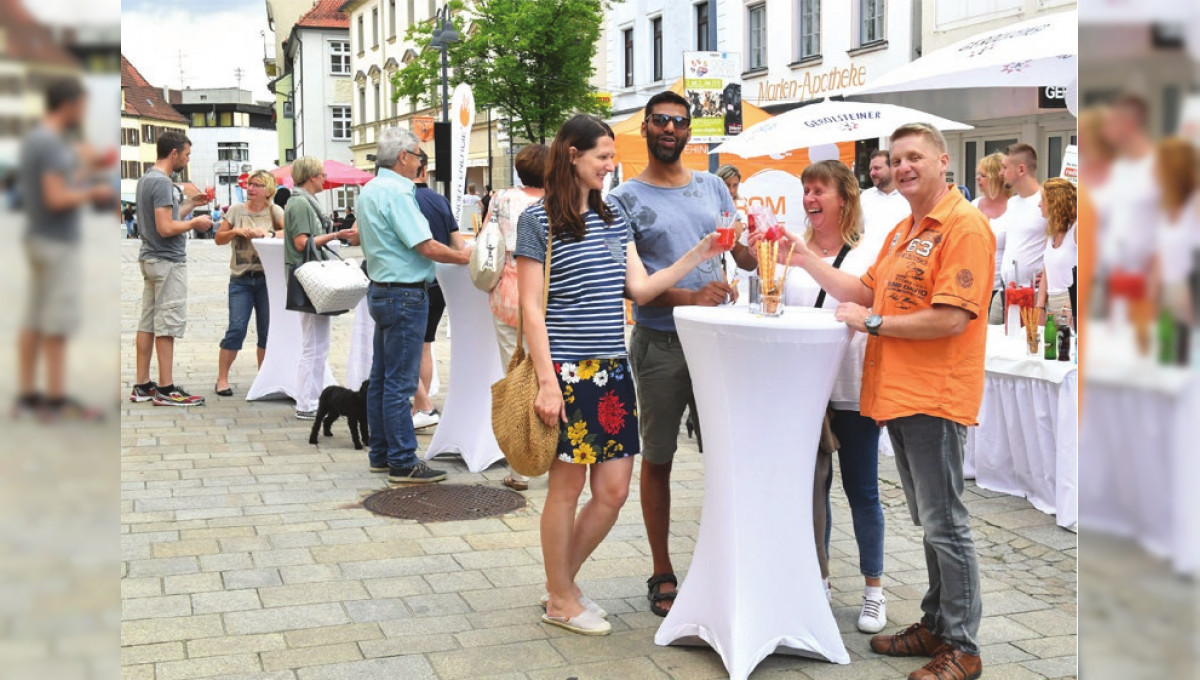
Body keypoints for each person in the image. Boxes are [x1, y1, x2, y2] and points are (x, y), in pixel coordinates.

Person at [776, 122, 993, 680]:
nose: (903, 167)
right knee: (930, 520)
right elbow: (862, 288)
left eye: (914, 157)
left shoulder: (962, 226)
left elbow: (950, 317)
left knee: (946, 523)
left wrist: (873, 323)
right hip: (897, 393)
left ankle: (962, 647)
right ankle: (936, 624)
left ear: (944, 161)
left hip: (934, 396)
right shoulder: (905, 229)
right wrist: (803, 258)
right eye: (896, 159)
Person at [518, 114, 726, 636]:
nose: (611, 166)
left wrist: (701, 254)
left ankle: (560, 585)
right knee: (565, 490)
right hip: (566, 369)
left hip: (612, 369)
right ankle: (562, 598)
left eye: (612, 156)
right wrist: (547, 381)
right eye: (603, 157)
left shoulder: (615, 218)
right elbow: (530, 309)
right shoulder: (538, 221)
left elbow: (641, 288)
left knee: (611, 492)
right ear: (572, 155)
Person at [608, 90, 757, 617]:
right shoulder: (625, 198)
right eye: (661, 121)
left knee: (726, 453)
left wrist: (747, 246)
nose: (671, 129)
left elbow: (738, 252)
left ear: (690, 131)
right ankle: (662, 569)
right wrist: (690, 296)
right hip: (661, 341)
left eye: (680, 122)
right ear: (645, 129)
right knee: (660, 456)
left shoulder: (714, 185)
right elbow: (633, 285)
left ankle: (723, 560)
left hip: (717, 340)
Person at [775, 160, 889, 633]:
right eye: (805, 190)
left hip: (853, 388)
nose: (809, 199)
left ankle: (873, 592)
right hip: (806, 392)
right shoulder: (787, 252)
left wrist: (806, 259)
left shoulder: (869, 250)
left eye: (819, 190)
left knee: (862, 490)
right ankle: (817, 579)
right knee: (812, 489)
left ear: (845, 197)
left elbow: (866, 302)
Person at [358, 127, 470, 484]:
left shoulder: (371, 189)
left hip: (382, 289)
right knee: (400, 383)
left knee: (381, 377)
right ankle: (404, 461)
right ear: (404, 156)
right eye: (420, 156)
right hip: (405, 292)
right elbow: (425, 245)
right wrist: (464, 258)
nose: (422, 163)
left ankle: (381, 454)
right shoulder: (397, 192)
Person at [14, 78, 113, 421]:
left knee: (34, 319)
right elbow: (57, 198)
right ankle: (55, 401)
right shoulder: (54, 144)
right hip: (57, 242)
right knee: (57, 323)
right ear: (69, 104)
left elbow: (50, 189)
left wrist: (84, 169)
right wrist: (93, 193)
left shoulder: (36, 139)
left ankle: (27, 395)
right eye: (83, 105)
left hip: (37, 237)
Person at [483, 143, 549, 492]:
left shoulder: (503, 199)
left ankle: (520, 468)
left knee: (515, 378)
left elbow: (487, 239)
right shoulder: (556, 203)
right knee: (548, 377)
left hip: (509, 297)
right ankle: (553, 455)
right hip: (548, 297)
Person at [129, 130, 213, 406]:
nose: (187, 160)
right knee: (167, 324)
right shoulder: (163, 183)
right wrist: (195, 223)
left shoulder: (146, 179)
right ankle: (166, 388)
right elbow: (166, 228)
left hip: (150, 258)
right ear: (174, 153)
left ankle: (142, 384)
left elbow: (164, 219)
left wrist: (190, 205)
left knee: (148, 322)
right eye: (186, 154)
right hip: (167, 261)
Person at [284, 157, 358, 420]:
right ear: (311, 176)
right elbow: (303, 242)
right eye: (321, 174)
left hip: (313, 277)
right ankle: (306, 401)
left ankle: (311, 398)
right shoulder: (301, 203)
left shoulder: (302, 201)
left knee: (318, 343)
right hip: (311, 277)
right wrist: (337, 235)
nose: (324, 177)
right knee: (314, 344)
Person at [410, 149, 468, 429]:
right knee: (425, 346)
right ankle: (419, 408)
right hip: (439, 284)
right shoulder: (440, 201)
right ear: (426, 170)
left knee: (407, 347)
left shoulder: (403, 199)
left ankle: (422, 407)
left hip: (412, 281)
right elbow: (459, 246)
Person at [213, 170, 284, 396]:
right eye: (250, 184)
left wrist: (268, 234)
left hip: (267, 279)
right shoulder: (235, 211)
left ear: (268, 191)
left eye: (257, 185)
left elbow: (289, 233)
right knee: (236, 328)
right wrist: (235, 231)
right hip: (241, 280)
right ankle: (222, 379)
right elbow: (218, 239)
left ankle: (263, 378)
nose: (251, 188)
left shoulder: (275, 211)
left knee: (266, 331)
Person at [1149, 138, 1196, 363]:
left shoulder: (1194, 206)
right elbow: (1160, 257)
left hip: (1189, 296)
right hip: (1168, 299)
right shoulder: (1163, 207)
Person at [995, 143, 1046, 317]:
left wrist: (1049, 273)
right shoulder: (1011, 203)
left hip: (1034, 294)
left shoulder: (1046, 201)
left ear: (1021, 170)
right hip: (1006, 290)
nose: (1001, 173)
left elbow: (1062, 242)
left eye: (1004, 167)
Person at [972, 153, 1013, 323]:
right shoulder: (973, 205)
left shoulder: (1014, 207)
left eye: (982, 175)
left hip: (1000, 288)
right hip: (973, 286)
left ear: (997, 177)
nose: (977, 178)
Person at [1035, 178, 1078, 327]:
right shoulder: (1051, 234)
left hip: (1070, 303)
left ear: (1056, 203)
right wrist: (1040, 306)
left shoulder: (1077, 229)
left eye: (1043, 200)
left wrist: (1073, 301)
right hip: (1051, 304)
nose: (1039, 204)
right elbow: (1047, 272)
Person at [860, 148, 912, 256]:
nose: (872, 173)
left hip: (898, 262)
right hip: (868, 265)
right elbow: (856, 232)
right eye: (871, 169)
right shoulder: (865, 197)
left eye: (877, 168)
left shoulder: (910, 197)